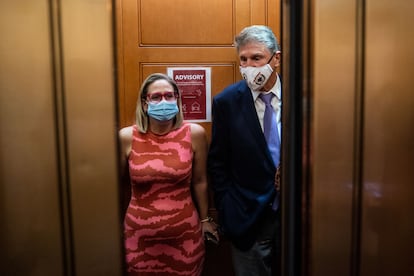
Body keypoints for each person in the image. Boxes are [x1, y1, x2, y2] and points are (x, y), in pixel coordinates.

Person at [119, 73, 218, 275]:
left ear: (177, 100)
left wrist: (205, 220)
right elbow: (112, 187)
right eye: (156, 97)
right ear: (145, 103)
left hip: (185, 237)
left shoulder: (195, 134)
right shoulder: (127, 137)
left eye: (169, 96)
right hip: (139, 238)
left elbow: (200, 181)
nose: (163, 101)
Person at [207, 25, 282, 275]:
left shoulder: (304, 97)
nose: (249, 66)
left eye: (257, 58)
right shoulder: (226, 102)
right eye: (243, 59)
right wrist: (227, 210)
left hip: (300, 216)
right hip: (248, 218)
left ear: (276, 59)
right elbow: (218, 163)